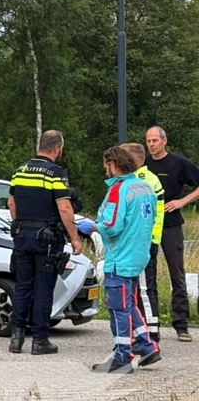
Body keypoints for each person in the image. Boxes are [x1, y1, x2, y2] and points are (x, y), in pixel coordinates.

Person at [77, 146, 160, 373]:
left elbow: (113, 225)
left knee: (118, 308)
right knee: (129, 303)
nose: (105, 170)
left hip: (120, 257)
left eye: (106, 166)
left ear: (113, 164)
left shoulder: (119, 189)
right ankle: (148, 345)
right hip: (138, 254)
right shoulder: (145, 187)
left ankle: (122, 356)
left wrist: (92, 227)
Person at [7, 130, 82, 355]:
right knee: (43, 289)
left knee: (22, 286)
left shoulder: (19, 170)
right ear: (57, 149)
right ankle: (40, 340)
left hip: (22, 236)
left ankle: (16, 339)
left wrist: (22, 225)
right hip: (47, 239)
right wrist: (74, 238)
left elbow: (11, 203)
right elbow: (65, 207)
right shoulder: (55, 173)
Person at [145, 126, 199, 342]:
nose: (151, 144)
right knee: (148, 276)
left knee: (176, 273)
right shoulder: (143, 164)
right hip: (146, 226)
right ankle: (152, 321)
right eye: (148, 141)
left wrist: (182, 201)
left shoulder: (179, 163)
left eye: (155, 140)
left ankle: (181, 324)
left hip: (171, 225)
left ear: (164, 141)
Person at [122, 142, 164, 344]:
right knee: (141, 288)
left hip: (145, 241)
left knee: (145, 289)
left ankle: (150, 334)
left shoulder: (143, 180)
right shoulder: (149, 178)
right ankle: (143, 331)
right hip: (145, 240)